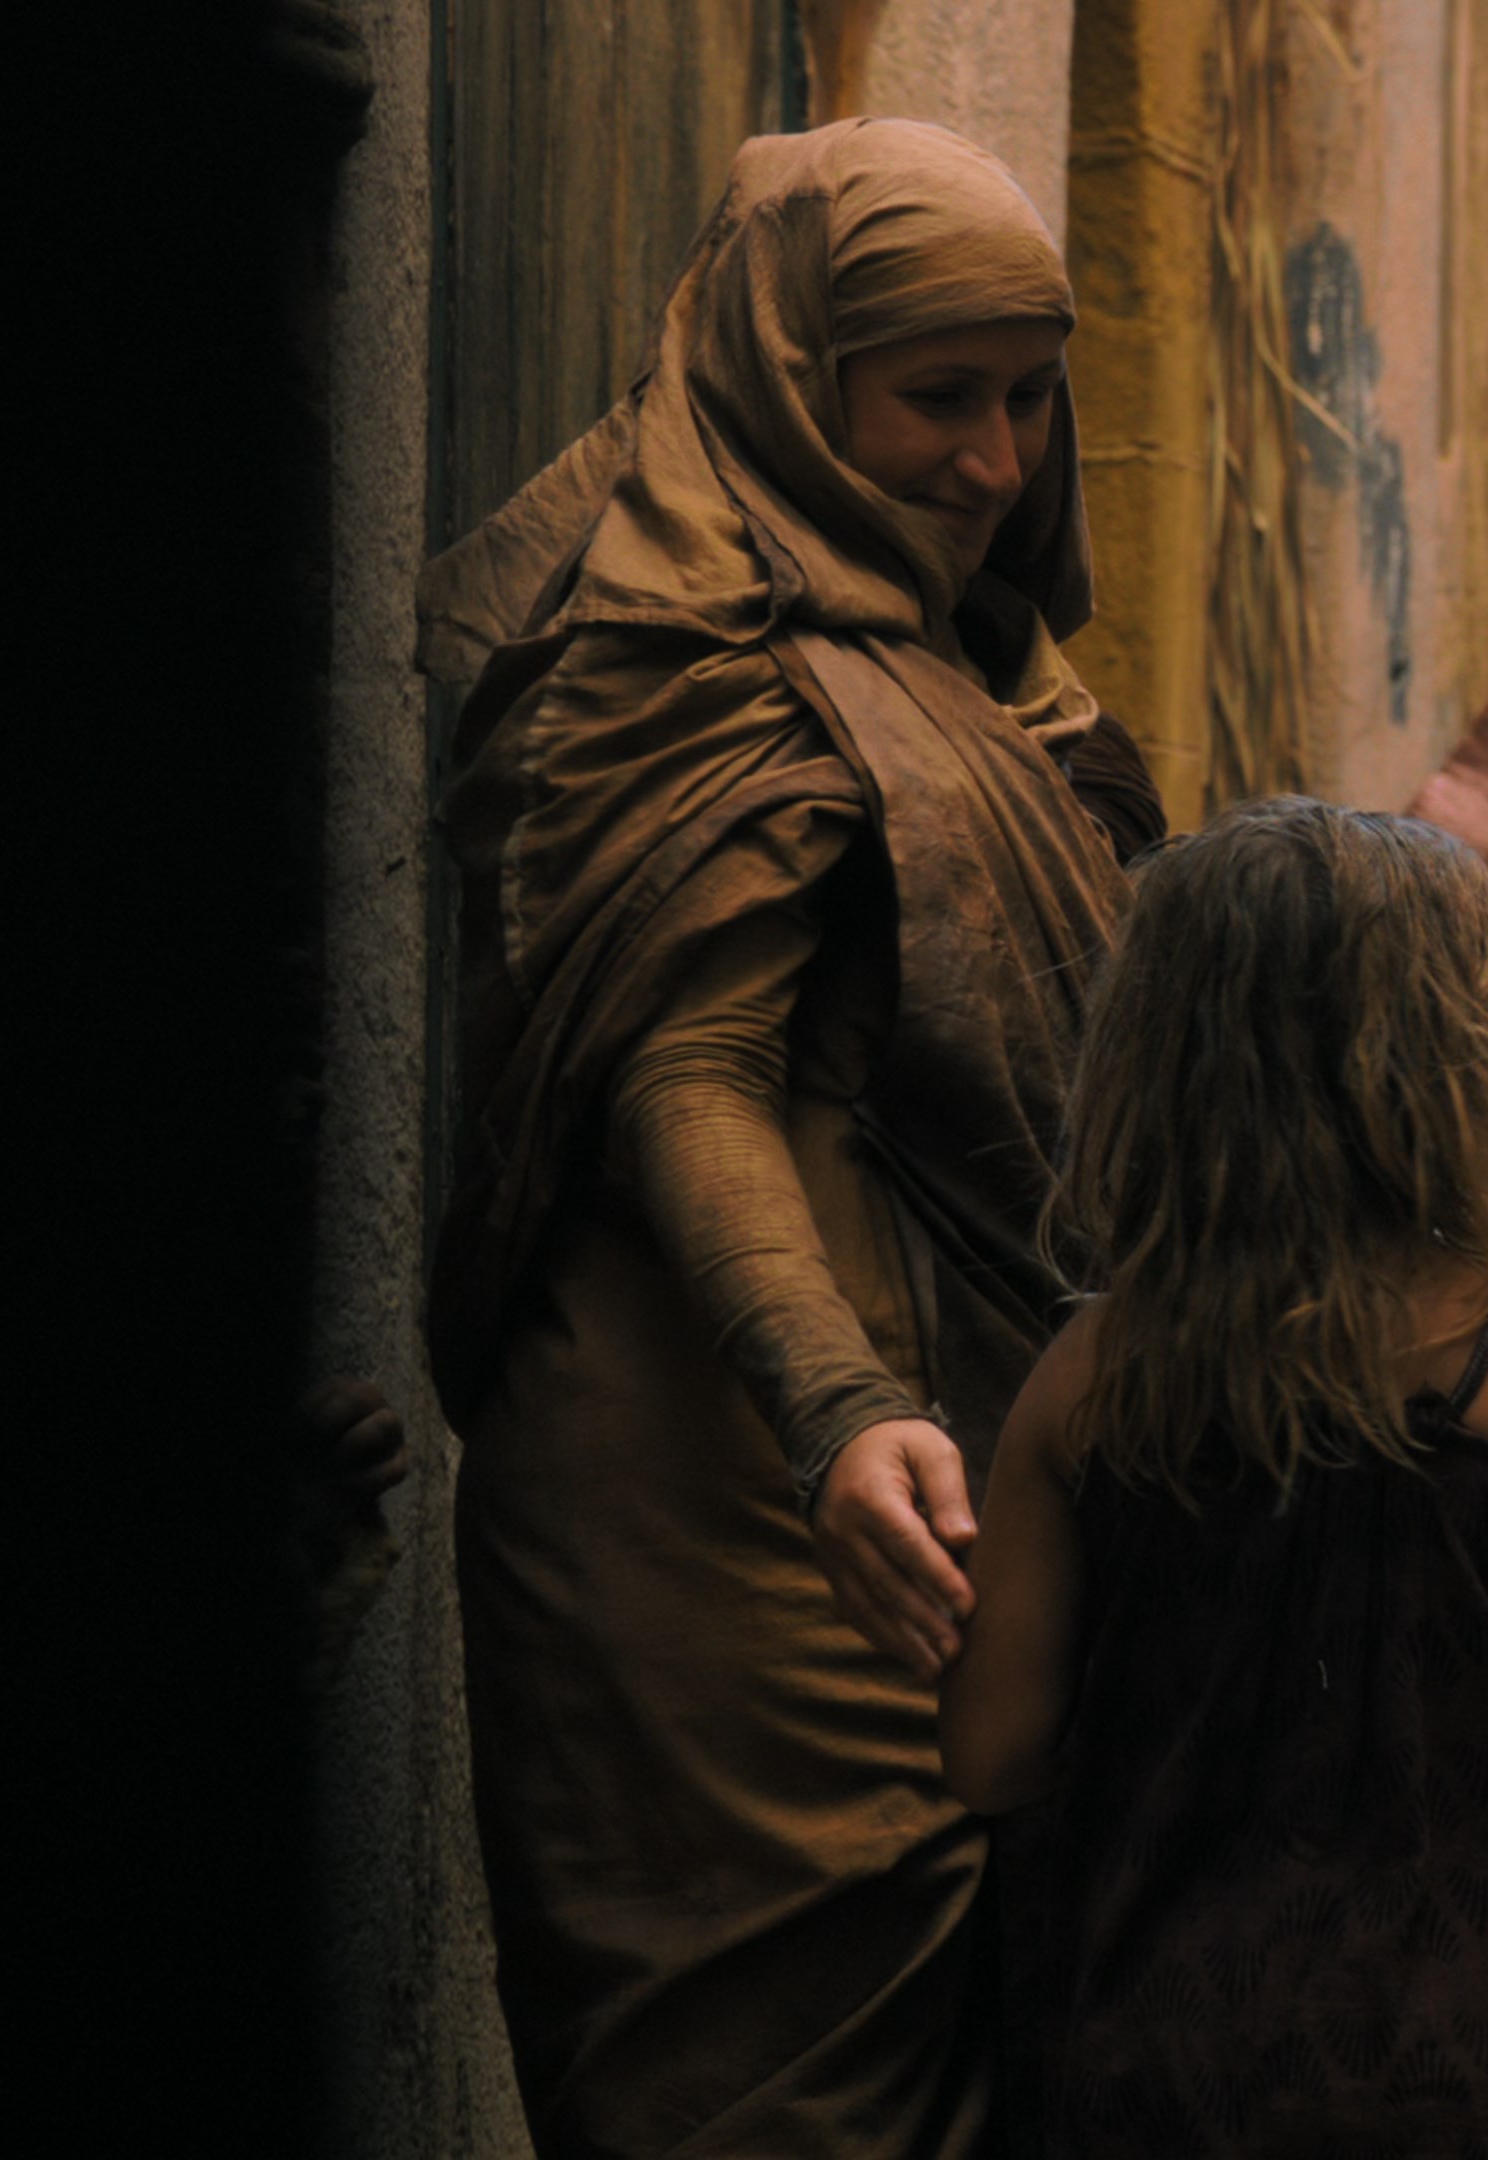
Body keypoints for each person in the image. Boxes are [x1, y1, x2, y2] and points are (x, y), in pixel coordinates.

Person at [408, 119, 1161, 2157]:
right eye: (940, 398)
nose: (995, 462)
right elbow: (687, 1070)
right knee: (747, 2076)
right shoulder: (673, 648)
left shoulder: (953, 651)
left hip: (931, 1471)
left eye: (1030, 398)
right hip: (729, 1474)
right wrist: (833, 1409)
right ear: (788, 374)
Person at [939, 797, 1488, 2155]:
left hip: (1162, 2075)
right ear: (1445, 1057)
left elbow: (991, 1756)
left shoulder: (1091, 1379)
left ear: (1158, 1056)